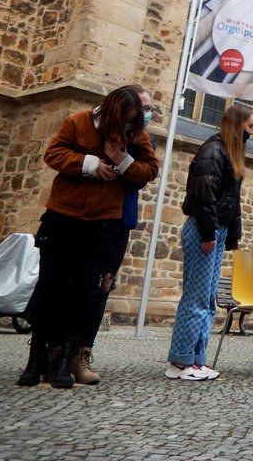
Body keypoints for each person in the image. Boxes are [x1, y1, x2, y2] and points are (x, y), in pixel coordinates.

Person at [18, 86, 160, 388]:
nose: (128, 127)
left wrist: (123, 161)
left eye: (134, 121)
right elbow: (53, 153)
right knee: (50, 287)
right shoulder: (78, 121)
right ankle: (36, 360)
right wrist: (90, 165)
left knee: (83, 293)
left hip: (102, 223)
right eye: (126, 120)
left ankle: (63, 363)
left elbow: (149, 170)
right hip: (63, 216)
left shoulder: (135, 134)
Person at [165, 104, 253, 381]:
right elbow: (204, 194)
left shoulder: (228, 154)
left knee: (206, 299)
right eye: (249, 127)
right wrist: (207, 233)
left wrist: (231, 237)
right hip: (206, 229)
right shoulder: (213, 151)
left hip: (217, 230)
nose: (251, 133)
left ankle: (196, 359)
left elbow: (231, 202)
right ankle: (180, 362)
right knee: (196, 299)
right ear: (237, 125)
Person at [75, 84, 156, 385]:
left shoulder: (142, 139)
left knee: (102, 286)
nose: (145, 115)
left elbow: (141, 178)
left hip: (120, 221)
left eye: (148, 110)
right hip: (86, 218)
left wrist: (122, 160)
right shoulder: (95, 128)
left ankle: (82, 352)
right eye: (141, 109)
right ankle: (58, 352)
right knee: (75, 285)